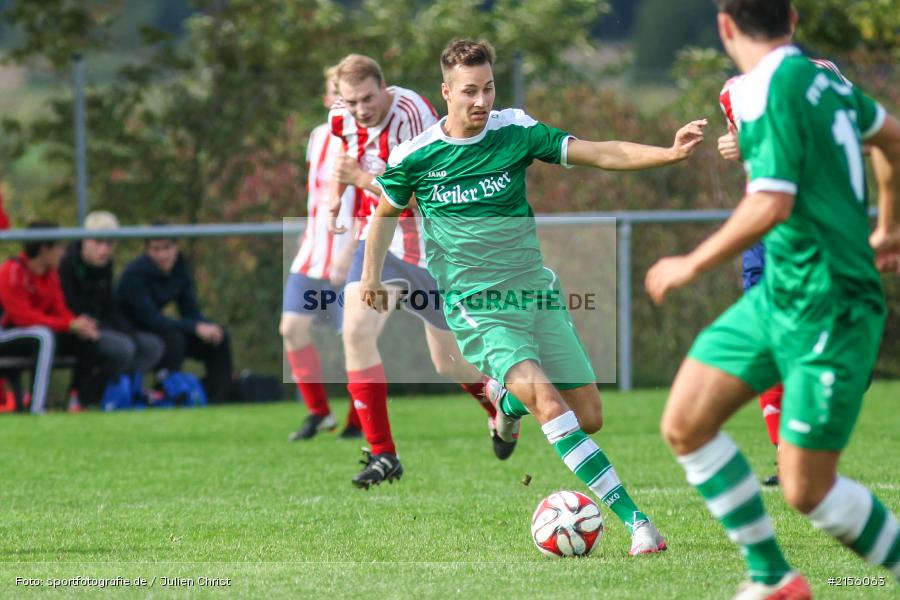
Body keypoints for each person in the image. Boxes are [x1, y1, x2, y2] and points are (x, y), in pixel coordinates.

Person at [362, 39, 706, 554]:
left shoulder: (516, 131)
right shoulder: (417, 156)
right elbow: (383, 215)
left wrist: (670, 152)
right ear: (446, 93)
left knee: (588, 416)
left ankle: (504, 403)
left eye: (489, 88)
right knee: (548, 403)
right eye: (470, 92)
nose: (481, 101)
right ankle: (640, 525)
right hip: (476, 308)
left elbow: (597, 152)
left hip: (534, 292)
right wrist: (369, 278)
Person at [645, 1, 900, 597]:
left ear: (725, 26)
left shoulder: (765, 88)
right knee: (686, 424)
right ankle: (773, 579)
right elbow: (892, 137)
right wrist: (888, 224)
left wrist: (691, 261)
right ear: (790, 17)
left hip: (830, 300)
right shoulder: (823, 78)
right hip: (780, 295)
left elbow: (771, 203)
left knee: (807, 489)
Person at [327, 53, 502, 489]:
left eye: (367, 98)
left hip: (428, 247)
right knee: (356, 331)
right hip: (379, 244)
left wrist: (359, 179)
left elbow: (415, 196)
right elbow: (345, 165)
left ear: (384, 86)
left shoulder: (413, 115)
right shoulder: (341, 116)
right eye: (351, 102)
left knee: (448, 364)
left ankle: (499, 411)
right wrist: (336, 200)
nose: (361, 109)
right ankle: (383, 453)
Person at [719, 46, 860, 489]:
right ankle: (786, 455)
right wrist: (739, 147)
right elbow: (758, 157)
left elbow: (841, 137)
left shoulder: (822, 74)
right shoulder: (732, 92)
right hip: (762, 231)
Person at [280, 66, 362, 441]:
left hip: (352, 250)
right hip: (313, 252)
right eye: (337, 93)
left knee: (356, 340)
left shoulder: (365, 140)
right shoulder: (317, 137)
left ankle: (357, 418)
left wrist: (349, 250)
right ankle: (318, 412)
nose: (344, 101)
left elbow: (373, 201)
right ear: (328, 98)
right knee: (291, 328)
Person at [59, 211, 164, 401]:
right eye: (98, 242)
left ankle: (124, 393)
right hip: (75, 331)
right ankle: (91, 396)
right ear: (84, 240)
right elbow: (72, 308)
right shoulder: (66, 265)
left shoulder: (105, 266)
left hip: (101, 327)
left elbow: (109, 308)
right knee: (123, 348)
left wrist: (127, 331)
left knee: (152, 346)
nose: (104, 250)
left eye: (109, 243)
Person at [118, 231, 233, 404]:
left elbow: (191, 311)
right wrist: (195, 327)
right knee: (174, 339)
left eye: (167, 248)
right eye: (155, 249)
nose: (162, 255)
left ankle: (215, 399)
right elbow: (152, 320)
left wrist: (205, 326)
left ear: (176, 247)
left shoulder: (180, 269)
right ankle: (169, 395)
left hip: (161, 329)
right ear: (147, 251)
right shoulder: (134, 274)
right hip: (132, 331)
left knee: (218, 336)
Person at [0, 222, 102, 409]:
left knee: (85, 335)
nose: (63, 253)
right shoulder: (12, 270)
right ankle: (36, 408)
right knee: (43, 336)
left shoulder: (51, 274)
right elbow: (21, 316)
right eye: (59, 247)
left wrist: (76, 324)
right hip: (6, 334)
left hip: (36, 331)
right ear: (44, 249)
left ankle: (78, 401)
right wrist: (67, 324)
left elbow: (60, 308)